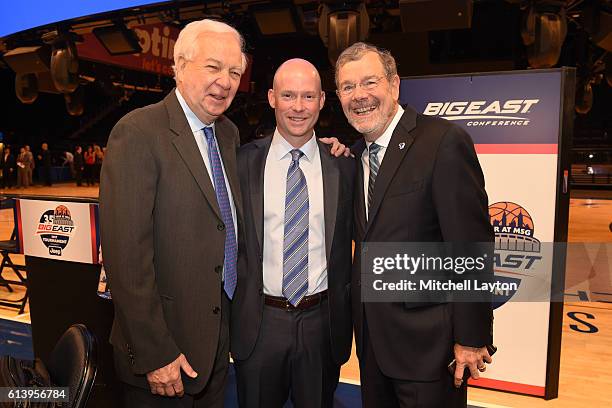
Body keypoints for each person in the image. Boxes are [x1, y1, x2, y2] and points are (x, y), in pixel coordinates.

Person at [335, 42, 494, 407]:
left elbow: (470, 244)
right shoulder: (356, 156)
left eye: (369, 82)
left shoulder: (442, 142)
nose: (359, 95)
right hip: (373, 347)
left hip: (430, 349)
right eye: (347, 87)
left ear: (394, 85)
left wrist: (471, 337)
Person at [231, 59, 354, 408]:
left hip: (322, 324)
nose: (298, 107)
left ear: (322, 100)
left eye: (308, 96)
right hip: (259, 324)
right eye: (288, 95)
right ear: (271, 98)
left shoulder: (343, 165)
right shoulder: (241, 163)